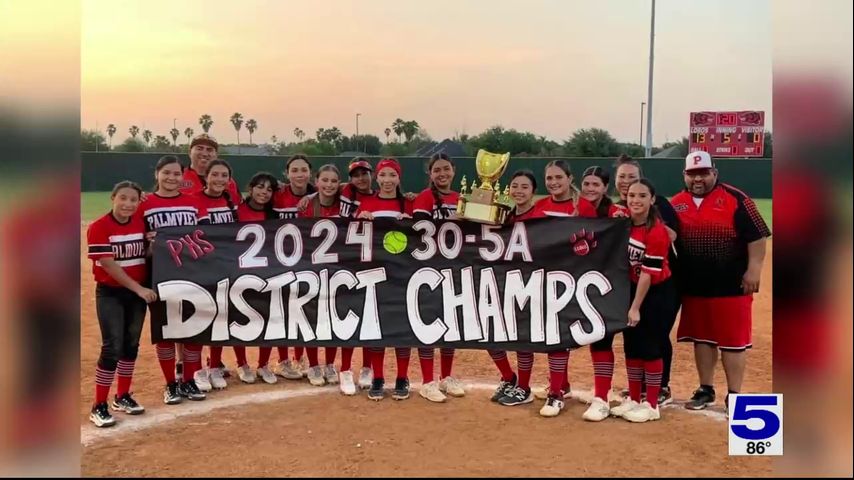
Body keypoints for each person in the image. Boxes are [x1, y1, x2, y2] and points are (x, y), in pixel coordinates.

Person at [672, 151, 770, 412]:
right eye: (692, 174)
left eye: (703, 173)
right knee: (702, 338)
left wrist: (754, 270)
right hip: (694, 286)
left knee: (733, 342)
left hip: (732, 285)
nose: (698, 179)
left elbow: (758, 238)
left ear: (714, 173)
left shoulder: (736, 199)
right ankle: (706, 389)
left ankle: (735, 395)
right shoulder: (676, 203)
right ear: (684, 175)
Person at [136, 155, 210, 404]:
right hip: (159, 274)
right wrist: (151, 245)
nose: (171, 178)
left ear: (183, 176)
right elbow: (136, 242)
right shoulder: (144, 204)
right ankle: (170, 384)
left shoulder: (193, 204)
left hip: (191, 274)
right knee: (166, 331)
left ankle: (188, 380)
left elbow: (207, 239)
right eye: (166, 173)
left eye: (177, 173)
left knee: (193, 330)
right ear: (157, 174)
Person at [86, 181, 157, 427]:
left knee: (131, 345)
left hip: (135, 295)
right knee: (112, 347)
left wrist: (152, 246)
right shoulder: (99, 227)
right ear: (113, 198)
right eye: (123, 198)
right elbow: (109, 265)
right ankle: (98, 405)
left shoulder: (139, 221)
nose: (127, 204)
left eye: (133, 200)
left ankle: (123, 396)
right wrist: (139, 289)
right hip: (111, 293)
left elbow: (143, 256)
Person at [613, 154, 680, 405]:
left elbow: (671, 236)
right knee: (634, 340)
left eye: (632, 177)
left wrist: (634, 306)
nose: (628, 184)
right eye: (622, 178)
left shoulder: (658, 209)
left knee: (655, 337)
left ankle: (657, 390)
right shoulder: (621, 214)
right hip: (633, 285)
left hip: (660, 284)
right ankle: (636, 391)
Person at [532, 160, 597, 417]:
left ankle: (556, 395)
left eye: (559, 177)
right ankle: (562, 385)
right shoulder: (541, 207)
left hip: (574, 279)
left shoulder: (585, 207)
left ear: (570, 179)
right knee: (553, 333)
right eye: (549, 178)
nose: (554, 182)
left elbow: (595, 242)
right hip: (546, 278)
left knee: (559, 335)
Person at [356, 158, 414, 401]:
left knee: (402, 326)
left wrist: (409, 223)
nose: (388, 180)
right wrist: (361, 219)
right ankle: (378, 376)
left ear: (399, 178)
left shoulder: (408, 203)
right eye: (383, 175)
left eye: (392, 175)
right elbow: (353, 236)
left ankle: (402, 376)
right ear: (376, 178)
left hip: (402, 273)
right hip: (375, 272)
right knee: (376, 325)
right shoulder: (366, 202)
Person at [237, 172, 304, 382]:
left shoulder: (273, 215)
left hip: (269, 273)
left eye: (269, 189)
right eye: (259, 187)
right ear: (250, 187)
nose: (264, 192)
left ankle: (263, 365)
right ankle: (241, 364)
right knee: (239, 317)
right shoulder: (236, 211)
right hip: (239, 273)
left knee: (271, 317)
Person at [412, 153, 465, 402]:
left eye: (446, 168)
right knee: (430, 324)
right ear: (430, 174)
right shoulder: (424, 198)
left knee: (449, 324)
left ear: (454, 170)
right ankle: (427, 381)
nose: (442, 174)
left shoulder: (461, 198)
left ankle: (446, 376)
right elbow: (420, 232)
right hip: (429, 269)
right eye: (437, 170)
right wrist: (448, 221)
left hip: (455, 268)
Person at [575, 166, 628, 421]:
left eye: (596, 184)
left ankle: (602, 397)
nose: (590, 189)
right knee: (585, 335)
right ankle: (591, 388)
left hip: (609, 284)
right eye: (586, 184)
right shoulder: (579, 209)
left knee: (602, 337)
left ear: (605, 188)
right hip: (582, 281)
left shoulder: (617, 213)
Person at [495, 170, 544, 407]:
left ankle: (524, 387)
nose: (519, 191)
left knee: (521, 337)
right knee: (490, 333)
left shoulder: (541, 217)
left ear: (533, 191)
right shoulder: (502, 216)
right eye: (515, 186)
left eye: (525, 187)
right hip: (500, 282)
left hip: (528, 284)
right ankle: (509, 377)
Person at [299, 165, 348, 391]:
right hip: (311, 269)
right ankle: (313, 365)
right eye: (324, 180)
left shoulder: (344, 202)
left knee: (333, 317)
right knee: (312, 317)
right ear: (316, 181)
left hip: (339, 269)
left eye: (333, 181)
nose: (329, 185)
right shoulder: (307, 205)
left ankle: (329, 364)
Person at [272, 154, 317, 376]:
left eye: (303, 170)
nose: (299, 175)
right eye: (294, 170)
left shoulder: (318, 195)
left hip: (308, 262)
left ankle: (300, 358)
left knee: (304, 310)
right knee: (281, 311)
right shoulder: (277, 195)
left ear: (310, 172)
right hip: (278, 262)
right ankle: (282, 361)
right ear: (287, 173)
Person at [179, 133, 241, 200]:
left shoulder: (227, 182)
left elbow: (238, 206)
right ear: (190, 152)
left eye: (209, 150)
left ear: (216, 155)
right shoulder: (177, 178)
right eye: (199, 149)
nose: (205, 154)